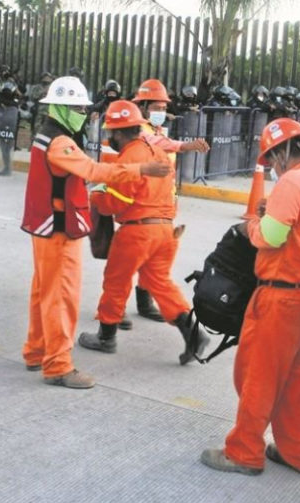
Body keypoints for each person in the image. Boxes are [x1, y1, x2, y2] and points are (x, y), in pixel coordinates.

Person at [200, 118, 300, 476]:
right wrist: (270, 217)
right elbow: (298, 230)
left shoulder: (293, 182)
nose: (272, 168)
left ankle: (244, 452)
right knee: (292, 377)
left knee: (255, 376)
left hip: (281, 297)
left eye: (271, 159)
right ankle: (298, 452)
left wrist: (250, 226)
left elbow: (271, 237)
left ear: (280, 152)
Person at [21, 76, 170, 390]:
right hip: (59, 230)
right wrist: (140, 170)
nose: (82, 112)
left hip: (47, 226)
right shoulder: (60, 142)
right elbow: (93, 170)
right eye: (75, 107)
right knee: (62, 298)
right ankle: (58, 366)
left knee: (43, 294)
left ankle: (36, 352)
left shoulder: (47, 136)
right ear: (59, 107)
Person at [77, 100, 209, 364]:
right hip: (164, 231)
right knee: (159, 282)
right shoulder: (158, 153)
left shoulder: (130, 157)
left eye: (110, 133)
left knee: (116, 281)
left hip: (137, 233)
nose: (109, 137)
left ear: (117, 132)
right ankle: (194, 333)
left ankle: (106, 337)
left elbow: (116, 202)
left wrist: (96, 198)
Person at [128, 78, 210, 326]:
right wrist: (186, 145)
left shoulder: (157, 130)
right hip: (141, 207)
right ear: (142, 108)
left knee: (152, 257)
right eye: (156, 108)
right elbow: (159, 145)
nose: (161, 113)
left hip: (162, 205)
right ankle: (112, 310)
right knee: (129, 259)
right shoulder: (139, 131)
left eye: (164, 109)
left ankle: (143, 303)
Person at [29, 71, 54, 139]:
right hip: (39, 109)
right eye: (45, 77)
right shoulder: (37, 87)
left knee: (48, 127)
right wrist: (42, 93)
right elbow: (32, 97)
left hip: (49, 110)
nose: (47, 79)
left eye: (48, 77)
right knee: (36, 127)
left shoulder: (53, 87)